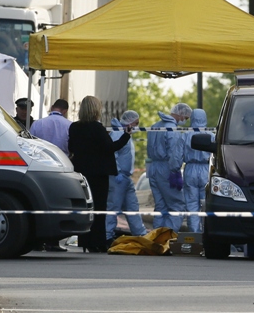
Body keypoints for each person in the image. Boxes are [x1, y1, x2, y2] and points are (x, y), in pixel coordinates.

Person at [69, 96, 132, 252]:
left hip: (81, 171)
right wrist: (126, 135)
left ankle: (84, 240)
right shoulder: (97, 128)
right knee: (99, 207)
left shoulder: (74, 127)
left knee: (86, 207)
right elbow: (109, 147)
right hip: (98, 173)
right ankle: (97, 241)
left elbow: (71, 146)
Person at [29, 98, 72, 252]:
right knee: (58, 206)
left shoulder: (38, 123)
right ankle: (53, 242)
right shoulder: (69, 125)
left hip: (39, 167)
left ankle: (36, 241)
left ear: (53, 107)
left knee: (38, 204)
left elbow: (30, 143)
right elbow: (70, 146)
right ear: (65, 111)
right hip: (61, 168)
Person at [146, 103, 192, 233]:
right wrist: (175, 171)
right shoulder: (172, 129)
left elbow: (149, 149)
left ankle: (156, 238)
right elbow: (174, 153)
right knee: (177, 205)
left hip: (153, 167)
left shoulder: (155, 126)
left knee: (160, 206)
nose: (185, 121)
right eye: (186, 118)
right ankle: (167, 238)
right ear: (181, 114)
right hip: (166, 169)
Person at [106, 110, 147, 245]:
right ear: (129, 122)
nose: (137, 126)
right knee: (113, 208)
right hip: (118, 177)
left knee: (132, 207)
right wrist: (117, 172)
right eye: (136, 123)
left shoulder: (125, 134)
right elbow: (112, 154)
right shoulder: (117, 134)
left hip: (125, 177)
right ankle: (107, 236)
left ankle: (140, 235)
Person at [182, 108, 213, 233]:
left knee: (191, 206)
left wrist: (174, 170)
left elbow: (177, 155)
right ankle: (207, 234)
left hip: (190, 169)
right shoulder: (211, 135)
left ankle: (195, 235)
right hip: (206, 169)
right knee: (206, 204)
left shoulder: (185, 134)